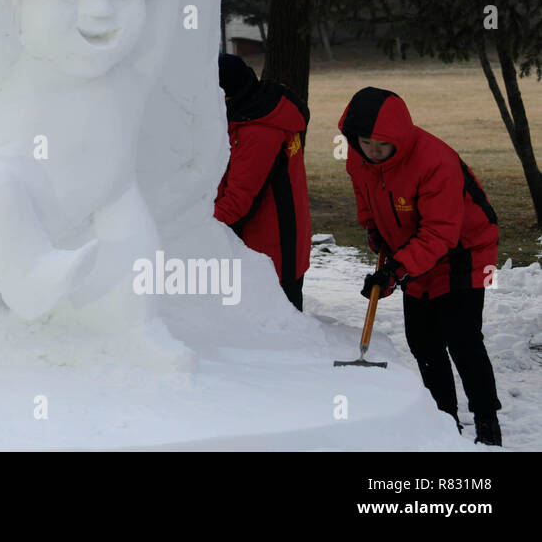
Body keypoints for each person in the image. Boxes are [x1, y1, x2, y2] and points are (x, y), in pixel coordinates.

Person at [338, 87, 502, 445]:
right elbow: (365, 199)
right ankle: (444, 419)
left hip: (465, 251)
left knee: (462, 337)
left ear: (399, 138)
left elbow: (441, 232)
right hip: (413, 253)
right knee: (423, 341)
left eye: (383, 144)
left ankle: (487, 419)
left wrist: (395, 271)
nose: (374, 151)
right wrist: (375, 232)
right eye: (367, 142)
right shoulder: (358, 157)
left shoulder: (434, 162)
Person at [214, 53, 311, 309]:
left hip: (271, 252)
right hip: (277, 246)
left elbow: (238, 203)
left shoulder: (258, 129)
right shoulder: (261, 108)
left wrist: (195, 227)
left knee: (277, 334)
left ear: (226, 95)